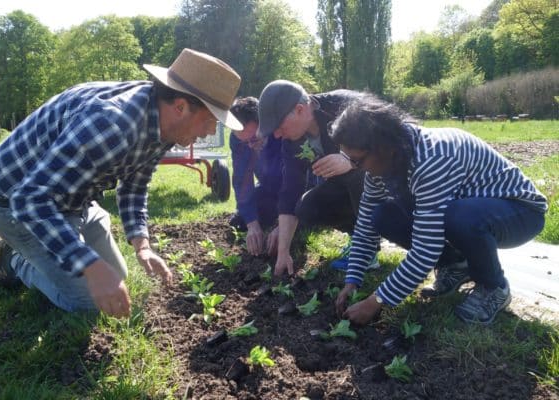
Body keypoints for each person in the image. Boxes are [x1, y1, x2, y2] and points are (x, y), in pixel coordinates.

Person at [0, 48, 242, 319]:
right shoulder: (112, 123)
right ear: (181, 106)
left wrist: (142, 245)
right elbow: (29, 199)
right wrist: (91, 267)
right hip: (11, 202)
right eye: (209, 120)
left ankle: (44, 251)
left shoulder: (162, 122)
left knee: (117, 277)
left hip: (73, 198)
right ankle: (11, 258)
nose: (210, 131)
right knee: (89, 303)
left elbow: (135, 186)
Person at [331, 97, 547, 325]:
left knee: (458, 216)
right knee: (383, 216)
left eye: (358, 160)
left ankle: (494, 287)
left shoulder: (431, 159)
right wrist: (352, 281)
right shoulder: (382, 164)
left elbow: (426, 249)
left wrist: (376, 301)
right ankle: (455, 265)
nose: (356, 168)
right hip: (468, 207)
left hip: (520, 212)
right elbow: (365, 224)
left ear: (382, 147)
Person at [257, 80, 378, 276]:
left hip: (386, 183)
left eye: (279, 126)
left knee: (357, 175)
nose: (277, 135)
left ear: (299, 109)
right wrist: (283, 252)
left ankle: (367, 247)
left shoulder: (349, 107)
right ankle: (359, 238)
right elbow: (290, 190)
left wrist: (351, 160)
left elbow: (394, 140)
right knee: (307, 208)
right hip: (346, 186)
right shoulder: (292, 140)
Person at [228, 97, 283, 256]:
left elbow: (298, 181)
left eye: (253, 139)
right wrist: (252, 224)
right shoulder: (238, 140)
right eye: (244, 142)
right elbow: (241, 180)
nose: (250, 146)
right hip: (269, 189)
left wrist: (284, 225)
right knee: (240, 222)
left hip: (297, 190)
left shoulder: (281, 132)